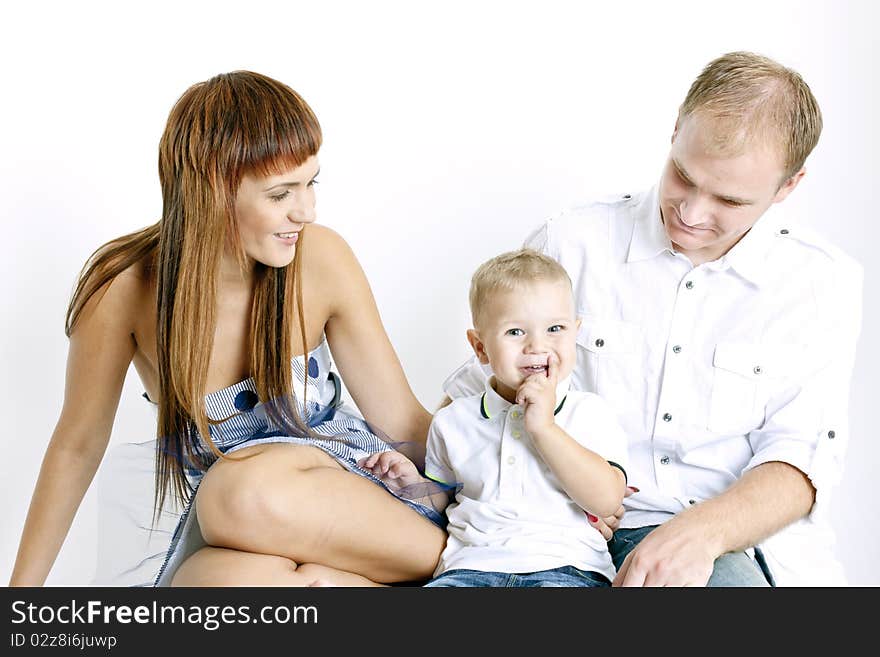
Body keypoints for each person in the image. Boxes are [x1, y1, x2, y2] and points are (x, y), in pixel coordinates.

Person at [9, 71, 447, 587]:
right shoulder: (122, 290)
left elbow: (405, 422)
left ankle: (463, 573)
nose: (306, 211)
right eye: (281, 193)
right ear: (212, 190)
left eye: (311, 183)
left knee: (239, 492)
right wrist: (20, 599)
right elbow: (76, 447)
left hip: (375, 512)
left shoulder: (321, 258)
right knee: (203, 585)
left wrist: (513, 506)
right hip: (245, 527)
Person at [442, 51, 863, 586]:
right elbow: (482, 395)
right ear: (674, 132)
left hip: (721, 538)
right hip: (561, 528)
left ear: (788, 187)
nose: (690, 212)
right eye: (683, 177)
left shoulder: (821, 283)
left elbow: (802, 459)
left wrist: (699, 535)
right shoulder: (571, 242)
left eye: (728, 200)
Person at [360, 249, 629, 586]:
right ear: (480, 347)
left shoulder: (589, 412)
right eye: (516, 332)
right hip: (470, 567)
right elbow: (445, 498)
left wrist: (543, 428)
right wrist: (409, 482)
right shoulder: (454, 420)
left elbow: (606, 499)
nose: (537, 345)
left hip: (565, 567)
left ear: (575, 333)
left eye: (555, 328)